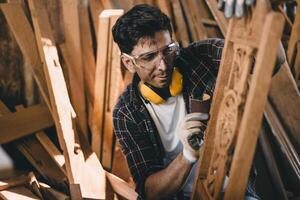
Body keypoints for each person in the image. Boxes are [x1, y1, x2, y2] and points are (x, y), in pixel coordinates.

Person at [112, 4, 284, 200]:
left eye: (168, 50)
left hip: (232, 192)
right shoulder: (126, 113)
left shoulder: (203, 57)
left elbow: (271, 62)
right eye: (149, 57)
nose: (163, 65)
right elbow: (151, 193)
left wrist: (262, 9)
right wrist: (187, 155)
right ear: (128, 63)